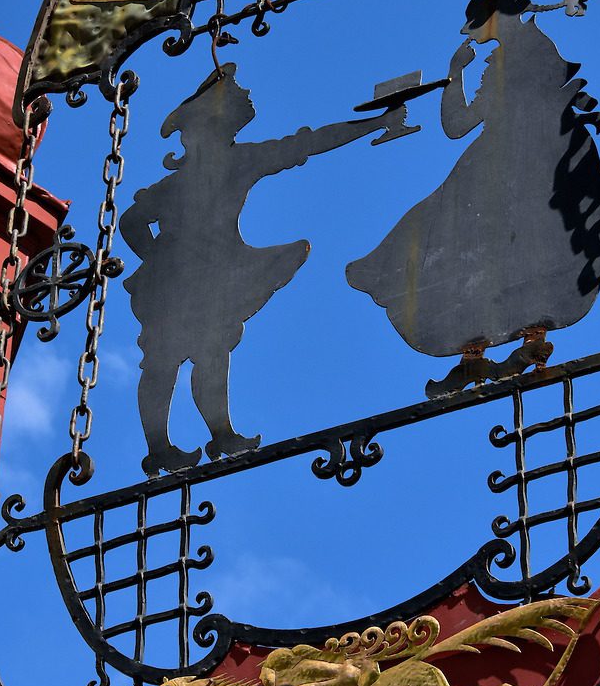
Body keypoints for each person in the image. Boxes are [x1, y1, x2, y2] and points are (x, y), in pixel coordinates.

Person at [120, 64, 405, 474]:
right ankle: (160, 446)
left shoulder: (238, 161)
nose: (248, 92)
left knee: (210, 353)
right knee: (167, 359)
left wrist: (375, 123)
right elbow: (131, 222)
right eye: (238, 91)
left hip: (211, 272)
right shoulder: (194, 178)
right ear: (216, 118)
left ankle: (220, 433)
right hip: (177, 281)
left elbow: (307, 143)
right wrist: (159, 262)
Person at [346, 0, 600, 396]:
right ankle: (476, 347)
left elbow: (461, 124)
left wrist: (458, 75)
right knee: (464, 239)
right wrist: (456, 73)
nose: (471, 31)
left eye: (476, 23)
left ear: (496, 16)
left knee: (513, 239)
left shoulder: (529, 52)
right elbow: (458, 126)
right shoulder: (511, 57)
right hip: (510, 158)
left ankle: (527, 334)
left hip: (532, 159)